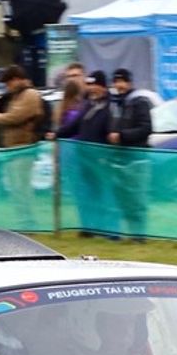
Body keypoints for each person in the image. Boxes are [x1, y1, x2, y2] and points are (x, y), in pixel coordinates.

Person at [57, 71, 113, 239]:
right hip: (85, 158)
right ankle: (89, 227)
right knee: (86, 193)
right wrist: (56, 134)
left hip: (102, 158)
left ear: (103, 86)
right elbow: (73, 127)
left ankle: (108, 229)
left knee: (103, 194)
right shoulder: (87, 105)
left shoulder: (111, 106)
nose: (91, 88)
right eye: (89, 85)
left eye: (94, 84)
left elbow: (112, 131)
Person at [0, 65, 46, 230]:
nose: (7, 87)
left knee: (22, 188)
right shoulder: (16, 96)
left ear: (16, 79)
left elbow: (16, 116)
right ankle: (23, 221)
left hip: (23, 148)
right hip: (13, 149)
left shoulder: (30, 95)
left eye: (8, 83)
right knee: (15, 189)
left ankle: (28, 223)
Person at [106, 68, 153, 239]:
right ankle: (116, 232)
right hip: (118, 158)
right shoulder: (114, 104)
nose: (119, 85)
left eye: (122, 81)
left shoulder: (140, 102)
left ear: (130, 83)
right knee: (119, 197)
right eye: (116, 81)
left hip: (137, 158)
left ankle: (138, 234)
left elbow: (146, 128)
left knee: (136, 198)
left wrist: (122, 136)